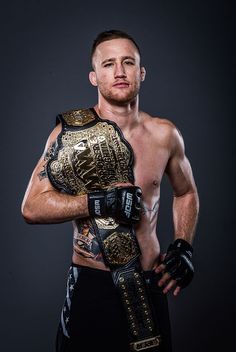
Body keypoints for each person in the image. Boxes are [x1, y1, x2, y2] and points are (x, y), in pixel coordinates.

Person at [21, 29, 199, 352]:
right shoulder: (70, 135)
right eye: (108, 64)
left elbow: (186, 193)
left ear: (141, 72)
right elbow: (31, 207)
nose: (119, 72)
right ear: (94, 76)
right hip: (92, 289)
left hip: (148, 286)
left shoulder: (165, 134)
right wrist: (98, 201)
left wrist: (184, 245)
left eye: (128, 62)